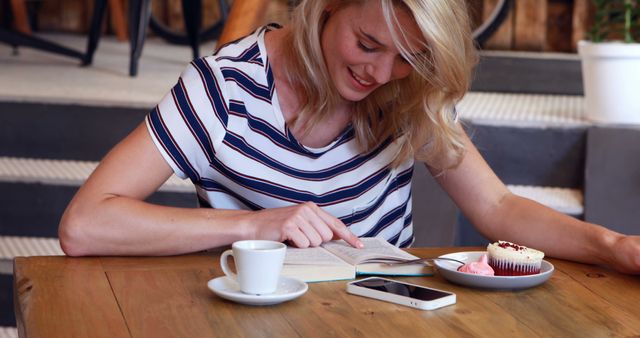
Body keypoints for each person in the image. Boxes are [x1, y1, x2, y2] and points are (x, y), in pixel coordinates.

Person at [59, 0, 640, 274]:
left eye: (408, 57)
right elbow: (86, 225)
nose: (381, 75)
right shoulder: (225, 89)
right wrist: (255, 224)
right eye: (367, 45)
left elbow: (497, 206)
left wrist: (614, 246)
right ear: (325, 9)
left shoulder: (406, 94)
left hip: (387, 318)